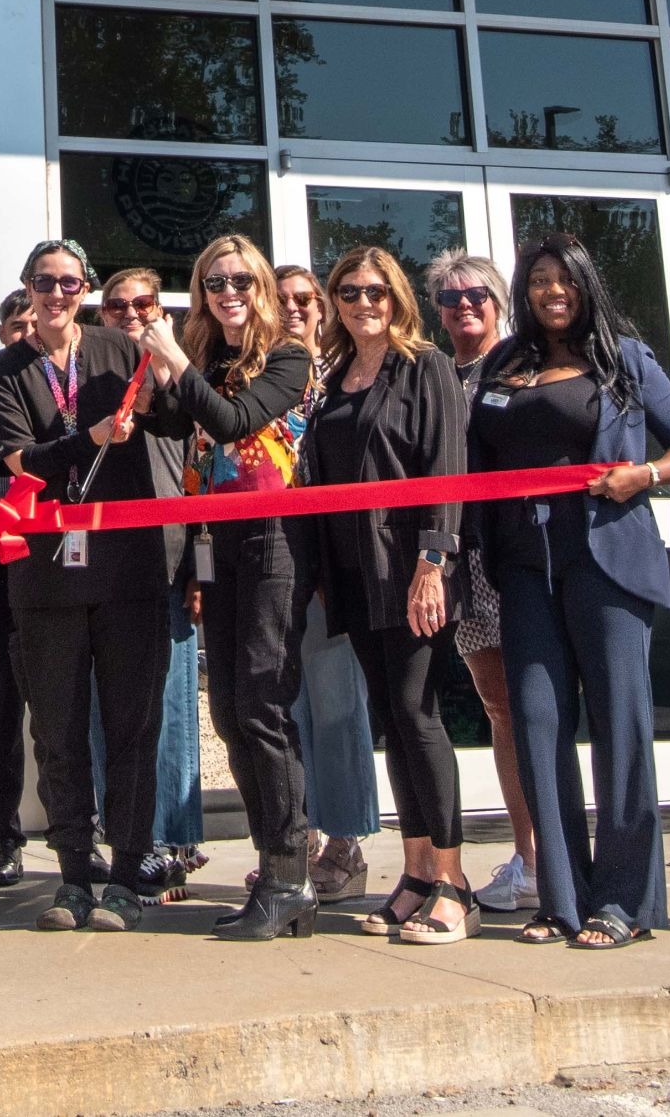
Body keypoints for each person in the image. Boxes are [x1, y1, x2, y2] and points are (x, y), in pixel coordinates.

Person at [469, 233, 670, 949]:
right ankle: (563, 899)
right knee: (539, 724)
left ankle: (623, 901)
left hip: (605, 561)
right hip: (522, 566)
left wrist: (648, 475)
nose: (551, 291)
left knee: (620, 725)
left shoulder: (625, 360)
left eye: (563, 279)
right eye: (538, 280)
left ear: (584, 285)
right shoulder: (505, 364)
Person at [0, 239, 173, 933]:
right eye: (43, 281)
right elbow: (15, 459)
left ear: (87, 287)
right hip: (45, 575)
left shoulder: (120, 351)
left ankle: (125, 874)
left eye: (69, 281)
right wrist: (89, 438)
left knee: (132, 727)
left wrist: (164, 378)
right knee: (58, 732)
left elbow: (172, 415)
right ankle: (72, 876)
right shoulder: (7, 366)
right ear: (28, 288)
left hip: (128, 572)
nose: (56, 293)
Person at [137, 237, 315, 940]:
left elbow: (237, 420)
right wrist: (152, 382)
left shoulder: (288, 355)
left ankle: (291, 873)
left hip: (274, 535)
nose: (228, 289)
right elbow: (179, 421)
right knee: (232, 710)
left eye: (241, 278)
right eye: (214, 280)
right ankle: (274, 873)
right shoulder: (208, 358)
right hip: (218, 541)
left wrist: (178, 364)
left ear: (262, 285)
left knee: (264, 702)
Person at [306, 245, 474, 946]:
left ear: (396, 296)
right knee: (391, 721)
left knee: (418, 712)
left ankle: (453, 880)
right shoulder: (334, 375)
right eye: (349, 292)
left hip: (411, 570)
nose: (363, 303)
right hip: (353, 573)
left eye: (375, 290)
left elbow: (445, 466)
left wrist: (433, 561)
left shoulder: (424, 366)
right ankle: (413, 872)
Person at [424, 249, 538, 915]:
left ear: (500, 302)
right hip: (461, 566)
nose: (464, 305)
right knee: (499, 708)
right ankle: (528, 856)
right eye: (450, 296)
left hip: (516, 557)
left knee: (533, 709)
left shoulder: (524, 366)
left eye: (477, 294)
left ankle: (554, 856)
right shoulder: (438, 374)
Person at [94, 266, 206, 888]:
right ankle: (127, 842)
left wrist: (199, 565)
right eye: (116, 306)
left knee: (170, 712)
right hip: (107, 567)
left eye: (144, 303)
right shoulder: (89, 375)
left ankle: (175, 842)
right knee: (113, 716)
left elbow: (204, 468)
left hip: (170, 562)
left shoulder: (183, 376)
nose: (131, 314)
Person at [274, 264, 379, 905]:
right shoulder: (259, 375)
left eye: (303, 299)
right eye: (279, 299)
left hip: (333, 565)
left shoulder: (342, 380)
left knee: (337, 706)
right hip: (272, 561)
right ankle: (299, 838)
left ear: (324, 308)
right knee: (284, 708)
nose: (291, 309)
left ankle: (345, 843)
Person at [0, 287, 37, 888]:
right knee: (5, 707)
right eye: (16, 325)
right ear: (2, 333)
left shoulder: (69, 398)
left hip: (65, 567)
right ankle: (6, 835)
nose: (25, 334)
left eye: (33, 325)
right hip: (1, 570)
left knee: (69, 705)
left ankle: (83, 827)